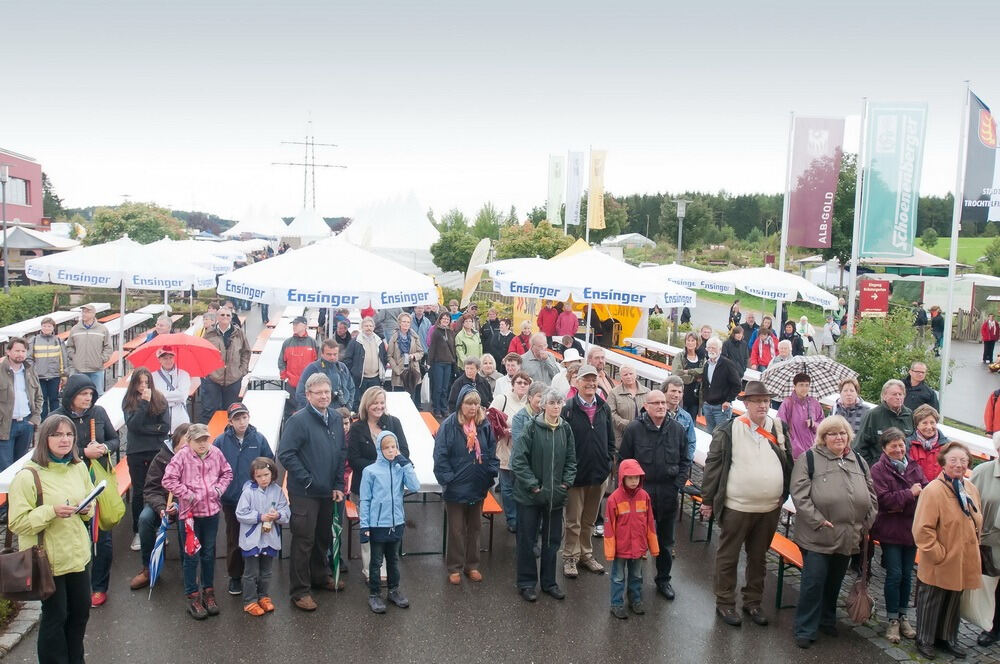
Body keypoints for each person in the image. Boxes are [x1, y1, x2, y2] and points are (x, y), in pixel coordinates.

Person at [701, 381, 793, 628]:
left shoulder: (779, 428)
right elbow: (714, 466)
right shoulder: (729, 430)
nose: (763, 405)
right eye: (757, 401)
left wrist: (783, 494)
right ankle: (725, 602)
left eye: (766, 401)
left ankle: (753, 601)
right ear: (746, 404)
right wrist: (707, 500)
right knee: (728, 556)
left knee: (759, 558)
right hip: (737, 507)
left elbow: (789, 462)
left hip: (770, 508)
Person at [8, 415, 96, 664]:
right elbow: (16, 522)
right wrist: (50, 511)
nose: (64, 439)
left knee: (80, 614)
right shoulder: (28, 476)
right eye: (57, 434)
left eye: (69, 434)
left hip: (78, 555)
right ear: (44, 438)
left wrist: (86, 508)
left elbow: (89, 498)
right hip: (49, 560)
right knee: (55, 617)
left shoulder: (78, 467)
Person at [789, 415, 877, 649]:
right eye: (832, 433)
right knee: (814, 581)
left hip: (849, 534)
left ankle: (827, 619)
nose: (838, 437)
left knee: (834, 581)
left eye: (842, 433)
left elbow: (871, 493)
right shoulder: (809, 459)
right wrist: (818, 520)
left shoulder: (857, 459)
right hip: (818, 534)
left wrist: (868, 519)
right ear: (823, 437)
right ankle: (805, 628)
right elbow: (800, 495)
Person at [278, 373, 348, 611]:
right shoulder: (298, 421)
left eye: (327, 392)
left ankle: (320, 576)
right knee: (303, 541)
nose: (324, 396)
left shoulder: (336, 418)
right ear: (308, 395)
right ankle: (300, 591)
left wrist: (339, 484)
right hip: (305, 493)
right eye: (318, 393)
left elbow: (340, 452)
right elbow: (286, 454)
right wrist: (307, 480)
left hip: (329, 491)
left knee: (323, 537)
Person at [50, 374, 119, 604]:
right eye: (83, 394)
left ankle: (99, 586)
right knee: (75, 535)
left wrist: (103, 447)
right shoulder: (56, 418)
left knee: (102, 538)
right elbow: (50, 449)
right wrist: (81, 452)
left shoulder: (98, 413)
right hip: (69, 484)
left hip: (97, 482)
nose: (88, 398)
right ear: (71, 395)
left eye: (90, 394)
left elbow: (115, 439)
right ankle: (75, 584)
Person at [912, 442, 983, 660]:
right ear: (943, 462)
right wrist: (937, 554)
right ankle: (925, 639)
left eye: (963, 461)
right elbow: (922, 529)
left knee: (953, 600)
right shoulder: (934, 490)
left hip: (962, 558)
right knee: (931, 599)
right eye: (953, 460)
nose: (959, 465)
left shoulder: (970, 488)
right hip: (940, 559)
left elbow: (977, 518)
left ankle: (947, 638)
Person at [619, 390, 688, 601]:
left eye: (663, 403)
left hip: (667, 495)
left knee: (666, 543)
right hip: (640, 496)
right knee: (637, 542)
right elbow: (624, 462)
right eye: (655, 403)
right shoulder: (634, 430)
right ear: (646, 406)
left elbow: (685, 461)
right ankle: (634, 585)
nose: (660, 406)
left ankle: (663, 580)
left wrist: (676, 485)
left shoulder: (677, 429)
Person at [511, 387, 576, 602]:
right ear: (543, 406)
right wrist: (534, 486)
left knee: (551, 540)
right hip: (530, 496)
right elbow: (519, 461)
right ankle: (527, 583)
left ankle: (549, 582)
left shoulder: (566, 429)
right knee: (527, 540)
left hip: (555, 496)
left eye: (559, 403)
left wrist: (565, 484)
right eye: (552, 403)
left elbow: (571, 460)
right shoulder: (531, 428)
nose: (556, 407)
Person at [161, 423, 233, 619]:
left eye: (205, 439)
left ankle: (208, 592)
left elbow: (227, 473)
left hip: (211, 512)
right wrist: (187, 494)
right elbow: (168, 480)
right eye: (198, 440)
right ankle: (192, 596)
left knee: (209, 553)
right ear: (189, 440)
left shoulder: (216, 453)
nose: (202, 444)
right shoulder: (181, 456)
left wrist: (218, 490)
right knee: (191, 555)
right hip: (190, 515)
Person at [433, 385, 499, 584]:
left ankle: (472, 565)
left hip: (477, 485)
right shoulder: (449, 425)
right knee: (456, 529)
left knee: (475, 527)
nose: (473, 407)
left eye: (476, 403)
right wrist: (448, 479)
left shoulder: (484, 424)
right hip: (456, 487)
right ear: (461, 404)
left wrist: (490, 475)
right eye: (469, 403)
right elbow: (440, 455)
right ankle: (454, 567)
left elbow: (491, 451)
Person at [347, 386, 409, 585]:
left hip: (390, 489)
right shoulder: (357, 427)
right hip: (365, 488)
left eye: (382, 402)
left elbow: (404, 452)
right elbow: (354, 459)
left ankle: (387, 567)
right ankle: (370, 568)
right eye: (375, 403)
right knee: (369, 528)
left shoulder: (394, 423)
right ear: (367, 404)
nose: (379, 406)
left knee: (388, 528)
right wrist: (379, 468)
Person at [871, 427, 927, 645]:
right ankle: (892, 618)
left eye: (901, 444)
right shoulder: (878, 470)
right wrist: (910, 494)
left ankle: (904, 616)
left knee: (907, 574)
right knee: (894, 574)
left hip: (911, 529)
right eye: (893, 445)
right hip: (890, 530)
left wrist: (905, 499)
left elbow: (925, 491)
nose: (898, 449)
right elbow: (884, 501)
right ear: (885, 448)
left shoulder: (914, 466)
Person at [214, 402, 275, 596]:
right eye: (237, 418)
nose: (242, 422)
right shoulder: (221, 442)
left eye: (244, 417)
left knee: (257, 537)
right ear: (230, 421)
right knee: (234, 537)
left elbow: (270, 466)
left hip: (256, 500)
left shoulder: (259, 439)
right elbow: (214, 468)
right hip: (231, 500)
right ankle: (235, 576)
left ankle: (255, 576)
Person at [561, 364, 615, 578]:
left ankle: (586, 554)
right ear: (577, 382)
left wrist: (608, 461)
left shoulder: (604, 407)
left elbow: (610, 439)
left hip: (598, 474)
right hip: (576, 475)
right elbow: (563, 443)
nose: (591, 383)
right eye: (586, 379)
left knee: (589, 521)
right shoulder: (568, 408)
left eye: (594, 379)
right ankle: (570, 558)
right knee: (573, 521)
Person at [360, 431, 420, 614]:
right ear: (380, 449)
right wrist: (364, 526)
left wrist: (406, 464)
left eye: (393, 447)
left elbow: (415, 487)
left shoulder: (401, 468)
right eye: (387, 448)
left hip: (397, 522)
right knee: (376, 561)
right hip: (378, 524)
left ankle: (394, 590)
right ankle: (374, 594)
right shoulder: (370, 471)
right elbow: (365, 500)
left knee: (393, 559)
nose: (391, 450)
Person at [130, 423, 189, 591]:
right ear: (176, 442)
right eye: (184, 442)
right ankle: (148, 567)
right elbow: (150, 488)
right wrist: (162, 507)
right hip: (161, 502)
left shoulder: (195, 460)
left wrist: (178, 504)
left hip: (186, 504)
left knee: (185, 522)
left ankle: (188, 568)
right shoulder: (161, 458)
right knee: (145, 519)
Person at [604, 458, 660, 619]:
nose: (634, 481)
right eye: (630, 477)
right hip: (621, 549)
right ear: (622, 477)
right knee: (618, 577)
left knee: (637, 576)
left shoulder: (644, 497)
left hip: (638, 547)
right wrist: (610, 550)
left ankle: (635, 600)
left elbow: (650, 523)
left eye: (637, 477)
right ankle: (616, 604)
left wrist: (653, 547)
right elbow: (609, 527)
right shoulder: (614, 499)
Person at [235, 456, 289, 617]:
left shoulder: (278, 491)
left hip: (270, 538)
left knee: (266, 572)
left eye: (266, 475)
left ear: (272, 474)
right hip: (252, 540)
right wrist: (260, 517)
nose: (263, 479)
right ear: (254, 477)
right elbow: (240, 514)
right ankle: (249, 601)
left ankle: (263, 596)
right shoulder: (248, 492)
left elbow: (286, 512)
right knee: (251, 573)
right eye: (259, 476)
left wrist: (278, 515)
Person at [490, 372, 531, 533]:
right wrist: (503, 430)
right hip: (505, 448)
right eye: (519, 382)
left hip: (525, 451)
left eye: (525, 383)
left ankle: (523, 518)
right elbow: (490, 419)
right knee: (507, 486)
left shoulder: (531, 401)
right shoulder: (503, 399)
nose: (522, 385)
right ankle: (512, 519)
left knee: (520, 486)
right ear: (513, 384)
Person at [970, 433, 1000, 647]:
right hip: (989, 541)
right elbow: (968, 505)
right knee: (988, 588)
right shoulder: (983, 472)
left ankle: (996, 627)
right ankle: (990, 628)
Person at [0, 337, 43, 473]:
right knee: (6, 468)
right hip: (5, 426)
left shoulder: (30, 371)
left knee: (22, 467)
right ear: (8, 351)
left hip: (26, 424)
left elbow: (39, 396)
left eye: (23, 351)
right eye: (17, 350)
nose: (20, 354)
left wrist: (34, 419)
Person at [200, 308, 251, 422]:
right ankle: (207, 437)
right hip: (213, 378)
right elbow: (203, 353)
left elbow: (246, 352)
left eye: (228, 315)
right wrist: (207, 371)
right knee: (209, 410)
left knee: (231, 411)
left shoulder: (239, 333)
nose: (225, 317)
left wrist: (242, 371)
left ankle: (228, 436)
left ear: (231, 317)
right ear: (217, 317)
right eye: (222, 315)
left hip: (233, 378)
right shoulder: (209, 334)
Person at [855, 379, 914, 466]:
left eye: (900, 394)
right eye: (894, 394)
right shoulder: (873, 415)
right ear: (884, 396)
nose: (898, 397)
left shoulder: (909, 415)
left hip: (905, 470)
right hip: (880, 471)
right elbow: (860, 446)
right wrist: (872, 467)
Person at [296, 339, 355, 412]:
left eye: (335, 354)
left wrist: (348, 406)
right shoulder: (313, 368)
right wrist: (315, 411)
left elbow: (351, 388)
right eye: (329, 354)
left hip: (341, 411)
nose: (332, 357)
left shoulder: (342, 368)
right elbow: (300, 393)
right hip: (319, 413)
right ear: (322, 354)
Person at [66, 304, 112, 394]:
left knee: (97, 394)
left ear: (94, 314)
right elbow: (69, 346)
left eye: (87, 312)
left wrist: (102, 359)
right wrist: (74, 357)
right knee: (79, 394)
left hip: (96, 369)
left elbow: (108, 347)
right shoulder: (75, 329)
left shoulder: (102, 329)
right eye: (83, 312)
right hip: (79, 369)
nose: (84, 314)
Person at [28, 317, 68, 419]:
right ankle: (43, 421)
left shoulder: (58, 340)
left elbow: (63, 358)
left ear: (53, 328)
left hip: (54, 376)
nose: (46, 328)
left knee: (54, 399)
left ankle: (55, 420)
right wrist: (33, 371)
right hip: (39, 377)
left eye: (49, 326)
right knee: (42, 400)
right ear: (41, 327)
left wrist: (64, 375)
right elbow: (29, 358)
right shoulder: (34, 340)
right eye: (44, 326)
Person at [777, 372, 825, 459]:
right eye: (801, 385)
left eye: (807, 385)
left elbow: (823, 426)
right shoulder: (788, 403)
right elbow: (779, 425)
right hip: (793, 452)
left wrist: (814, 424)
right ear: (794, 386)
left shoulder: (814, 403)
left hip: (812, 450)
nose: (804, 388)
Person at [701, 337, 742, 433]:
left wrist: (728, 400)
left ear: (720, 349)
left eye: (714, 348)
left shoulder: (727, 364)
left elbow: (737, 385)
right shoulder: (707, 364)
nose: (711, 350)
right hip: (708, 406)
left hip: (721, 407)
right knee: (710, 434)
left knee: (721, 436)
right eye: (709, 348)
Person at [386, 312, 425, 408]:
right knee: (399, 402)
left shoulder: (414, 336)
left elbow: (421, 352)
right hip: (399, 372)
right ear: (399, 323)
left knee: (410, 401)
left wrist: (414, 356)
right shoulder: (394, 337)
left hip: (412, 371)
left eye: (408, 322)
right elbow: (389, 356)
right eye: (404, 321)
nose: (406, 324)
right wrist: (396, 369)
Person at [607, 366, 650, 449]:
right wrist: (628, 425)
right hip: (622, 438)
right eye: (625, 374)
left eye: (631, 373)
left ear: (636, 375)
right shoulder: (614, 393)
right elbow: (610, 413)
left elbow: (651, 410)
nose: (629, 376)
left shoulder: (647, 392)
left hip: (644, 436)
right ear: (621, 377)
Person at [150, 346, 192, 432]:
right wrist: (174, 397)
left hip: (180, 419)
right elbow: (154, 397)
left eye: (171, 357)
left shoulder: (183, 375)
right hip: (160, 419)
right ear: (159, 360)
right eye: (165, 358)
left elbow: (182, 396)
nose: (168, 361)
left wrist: (162, 396)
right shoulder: (153, 376)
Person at [278, 316, 320, 402]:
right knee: (290, 410)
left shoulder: (312, 343)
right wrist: (285, 377)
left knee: (307, 409)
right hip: (291, 385)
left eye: (297, 324)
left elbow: (319, 363)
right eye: (293, 324)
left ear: (305, 326)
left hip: (308, 385)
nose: (294, 326)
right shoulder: (287, 343)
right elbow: (281, 361)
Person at [906, 404, 950, 482]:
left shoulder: (947, 446)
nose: (929, 427)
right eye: (924, 423)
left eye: (932, 423)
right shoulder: (907, 445)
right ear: (917, 425)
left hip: (939, 490)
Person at [427, 311, 458, 418]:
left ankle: (444, 408)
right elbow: (432, 348)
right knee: (438, 387)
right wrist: (429, 362)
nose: (445, 320)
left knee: (445, 388)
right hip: (438, 363)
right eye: (444, 318)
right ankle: (437, 408)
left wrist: (454, 361)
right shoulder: (436, 332)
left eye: (447, 319)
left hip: (448, 363)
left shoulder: (451, 332)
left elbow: (453, 348)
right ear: (440, 319)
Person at [660, 375, 697, 463]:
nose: (676, 395)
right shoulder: (654, 413)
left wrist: (686, 462)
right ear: (664, 392)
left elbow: (691, 442)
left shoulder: (687, 417)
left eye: (679, 392)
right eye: (673, 391)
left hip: (677, 465)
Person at [671, 332, 704, 423]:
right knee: (679, 423)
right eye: (688, 340)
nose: (690, 343)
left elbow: (703, 372)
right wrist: (695, 377)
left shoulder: (701, 358)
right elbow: (676, 374)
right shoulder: (680, 356)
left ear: (697, 342)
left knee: (691, 424)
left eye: (692, 340)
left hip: (696, 397)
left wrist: (688, 371)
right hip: (682, 397)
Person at [357, 317, 388, 400]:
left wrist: (382, 369)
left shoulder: (379, 341)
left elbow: (384, 357)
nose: (368, 328)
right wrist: (355, 372)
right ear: (362, 327)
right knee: (361, 400)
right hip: (361, 379)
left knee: (374, 400)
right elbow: (348, 359)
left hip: (375, 378)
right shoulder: (356, 342)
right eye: (366, 326)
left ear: (374, 327)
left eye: (370, 326)